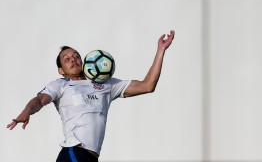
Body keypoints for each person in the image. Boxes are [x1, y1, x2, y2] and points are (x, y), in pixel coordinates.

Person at [7, 30, 175, 162]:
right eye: (66, 59)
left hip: (91, 157)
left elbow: (147, 85)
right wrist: (26, 112)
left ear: (84, 61)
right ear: (61, 70)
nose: (73, 60)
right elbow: (39, 100)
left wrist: (160, 51)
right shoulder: (61, 85)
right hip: (74, 151)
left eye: (76, 56)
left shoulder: (107, 84)